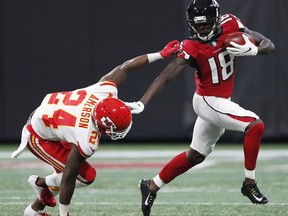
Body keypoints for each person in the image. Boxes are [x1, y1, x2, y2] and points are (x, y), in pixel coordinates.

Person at [134, 0, 276, 215]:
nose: (201, 29)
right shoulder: (191, 46)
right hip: (208, 101)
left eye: (206, 24)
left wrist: (255, 50)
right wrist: (142, 103)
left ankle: (151, 185)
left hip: (220, 101)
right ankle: (249, 183)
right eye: (197, 25)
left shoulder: (231, 25)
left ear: (217, 19)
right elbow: (165, 78)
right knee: (255, 126)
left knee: (195, 156)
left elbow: (268, 44)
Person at [11, 40, 180, 216]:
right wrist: (64, 213)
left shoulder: (104, 91)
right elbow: (69, 177)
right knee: (83, 177)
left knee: (78, 174)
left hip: (53, 118)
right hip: (38, 135)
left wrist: (160, 54)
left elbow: (125, 67)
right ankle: (40, 183)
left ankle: (33, 210)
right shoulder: (86, 137)